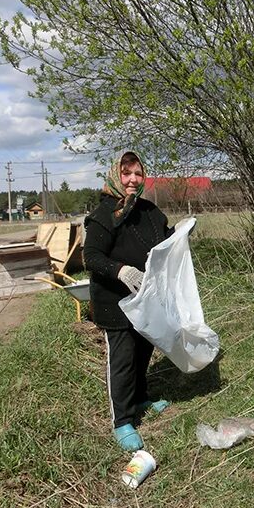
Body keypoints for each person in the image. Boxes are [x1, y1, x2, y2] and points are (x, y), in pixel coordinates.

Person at [84, 151, 173, 451]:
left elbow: (164, 241)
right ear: (114, 176)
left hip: (145, 297)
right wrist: (119, 270)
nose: (133, 179)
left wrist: (181, 234)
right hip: (115, 301)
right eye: (126, 173)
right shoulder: (103, 216)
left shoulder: (149, 211)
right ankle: (122, 421)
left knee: (143, 351)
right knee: (122, 360)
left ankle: (140, 398)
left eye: (138, 173)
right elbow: (91, 257)